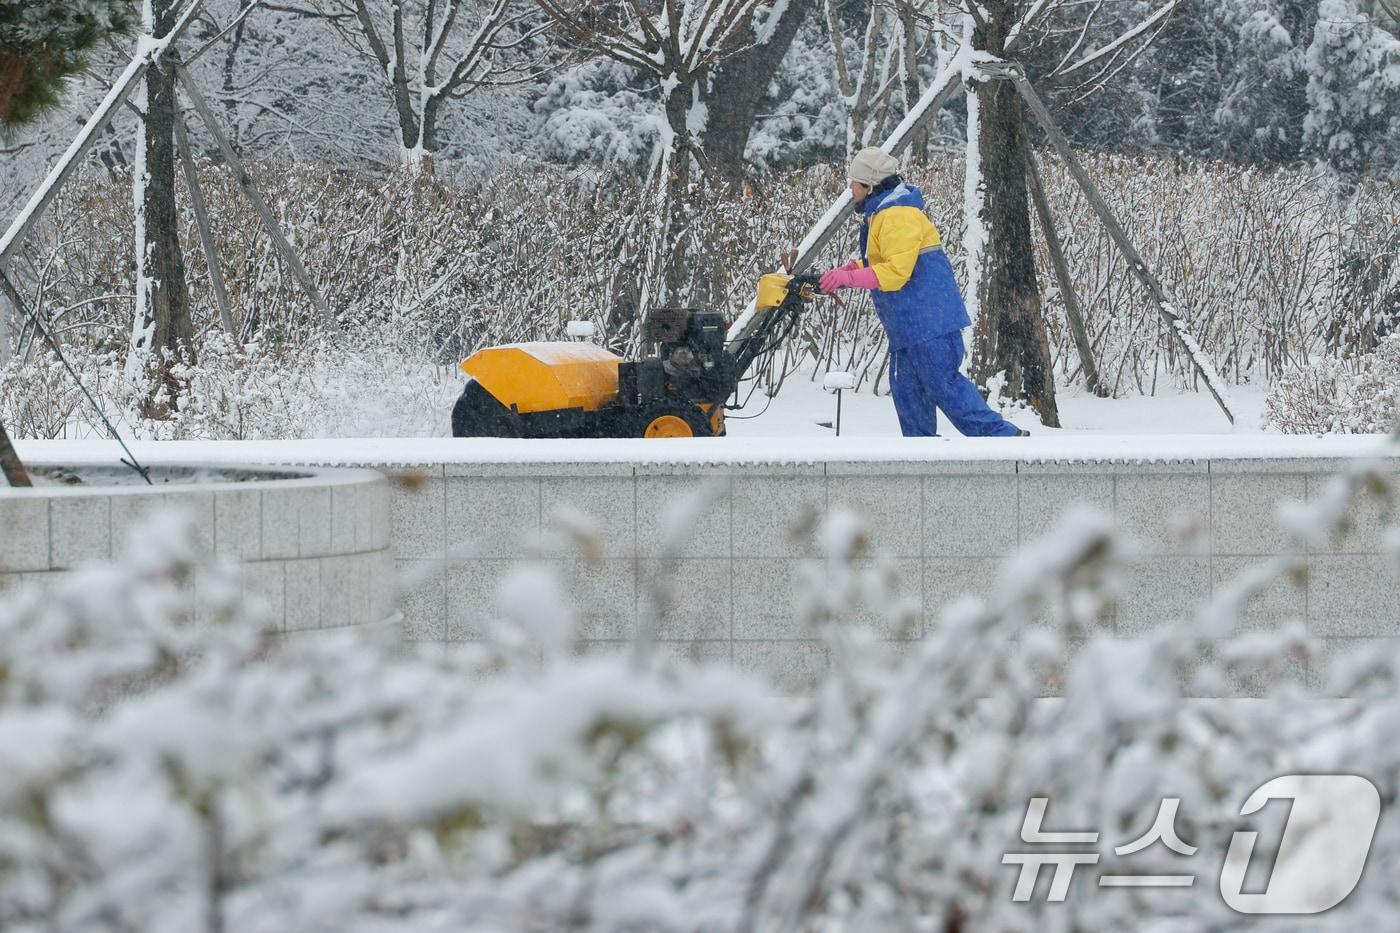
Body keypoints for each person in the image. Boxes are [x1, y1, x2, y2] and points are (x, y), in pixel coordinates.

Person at [818, 147, 1028, 438]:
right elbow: (886, 259)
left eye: (854, 182)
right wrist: (850, 269)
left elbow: (895, 272)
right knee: (909, 396)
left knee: (944, 386)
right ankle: (920, 458)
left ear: (870, 185)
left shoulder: (897, 215)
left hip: (929, 322)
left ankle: (1005, 440)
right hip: (908, 325)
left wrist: (850, 278)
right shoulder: (882, 213)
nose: (850, 188)